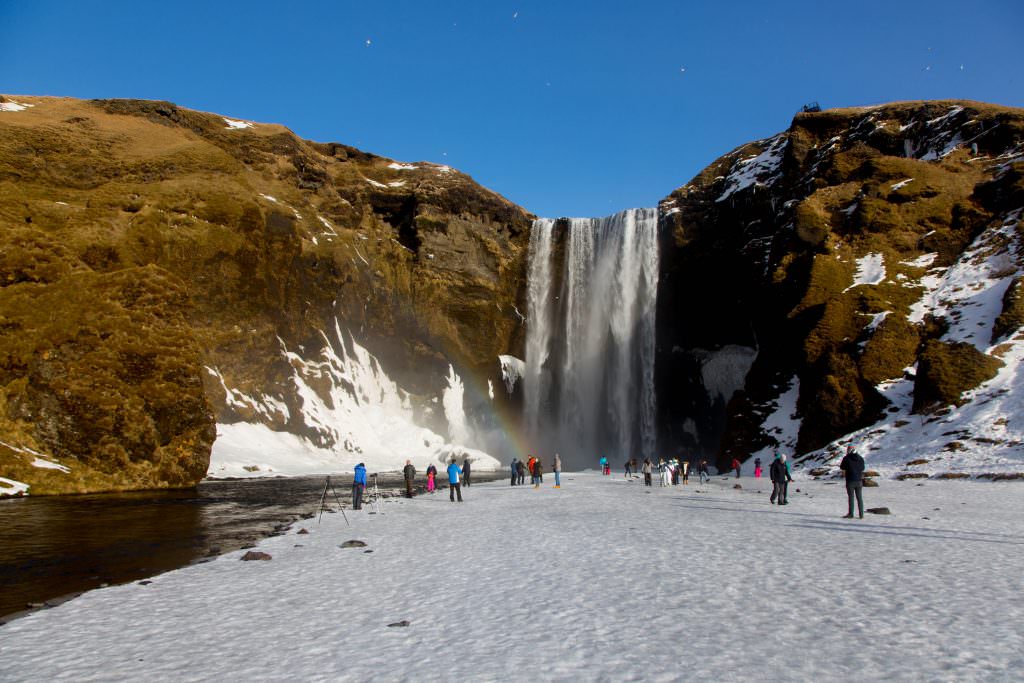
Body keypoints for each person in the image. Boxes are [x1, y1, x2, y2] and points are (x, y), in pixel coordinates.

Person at [839, 445, 866, 519]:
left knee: (851, 497)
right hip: (859, 481)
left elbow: (842, 467)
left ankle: (851, 514)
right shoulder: (860, 458)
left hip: (850, 480)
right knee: (859, 498)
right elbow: (863, 468)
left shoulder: (846, 458)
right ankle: (861, 515)